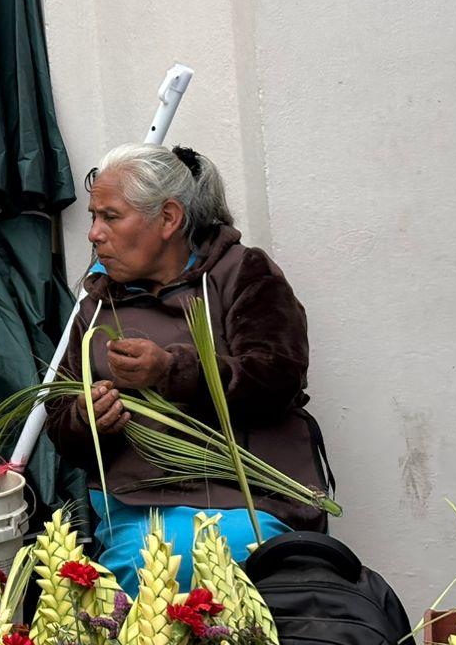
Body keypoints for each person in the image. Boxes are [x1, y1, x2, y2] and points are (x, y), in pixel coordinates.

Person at [46, 142, 326, 594]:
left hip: (251, 498)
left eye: (110, 217)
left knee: (231, 559)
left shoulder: (241, 273)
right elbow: (59, 421)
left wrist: (172, 371)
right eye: (94, 217)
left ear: (169, 219)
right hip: (138, 505)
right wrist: (85, 417)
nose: (94, 233)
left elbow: (279, 376)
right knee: (149, 567)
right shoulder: (95, 305)